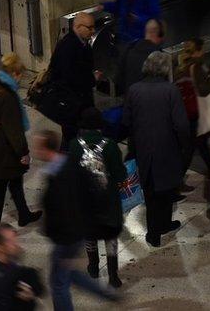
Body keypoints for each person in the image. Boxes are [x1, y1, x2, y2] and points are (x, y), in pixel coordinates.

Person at [33, 129, 120, 311]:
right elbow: (92, 192)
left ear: (44, 148)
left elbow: (63, 209)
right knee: (67, 273)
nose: (35, 150)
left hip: (67, 237)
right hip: (75, 233)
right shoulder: (68, 163)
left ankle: (103, 294)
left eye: (37, 146)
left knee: (58, 284)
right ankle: (106, 294)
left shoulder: (59, 173)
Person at [121, 51, 190, 247]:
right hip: (168, 149)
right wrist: (185, 146)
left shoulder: (134, 90)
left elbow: (126, 120)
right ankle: (161, 226)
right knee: (167, 188)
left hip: (143, 149)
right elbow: (182, 125)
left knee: (151, 193)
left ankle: (155, 231)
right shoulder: (171, 90)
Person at [0, 53, 42, 228]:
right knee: (0, 189)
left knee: (15, 183)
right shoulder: (8, 96)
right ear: (14, 73)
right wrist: (24, 153)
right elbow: (14, 131)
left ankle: (24, 214)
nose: (21, 77)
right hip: (5, 152)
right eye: (20, 73)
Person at [69, 108, 126, 288]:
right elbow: (120, 174)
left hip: (84, 199)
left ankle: (93, 267)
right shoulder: (109, 145)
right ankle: (113, 275)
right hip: (108, 199)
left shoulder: (74, 145)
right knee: (111, 237)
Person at [48, 12, 100, 145]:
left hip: (79, 103)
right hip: (71, 105)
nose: (93, 31)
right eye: (90, 27)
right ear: (77, 27)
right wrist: (92, 78)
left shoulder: (82, 43)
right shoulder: (68, 46)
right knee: (73, 141)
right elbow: (70, 77)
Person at [175, 38, 210, 175]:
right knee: (191, 147)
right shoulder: (197, 66)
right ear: (198, 51)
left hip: (187, 111)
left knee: (200, 142)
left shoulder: (182, 67)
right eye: (202, 49)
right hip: (197, 112)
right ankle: (177, 180)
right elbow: (203, 89)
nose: (204, 52)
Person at [118, 18, 165, 93]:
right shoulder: (158, 56)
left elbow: (118, 80)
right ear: (158, 34)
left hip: (130, 101)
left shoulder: (129, 49)